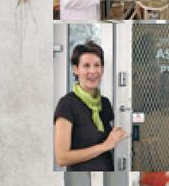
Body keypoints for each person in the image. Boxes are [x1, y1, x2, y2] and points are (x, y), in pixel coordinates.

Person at [53, 40, 128, 173]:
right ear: (76, 69)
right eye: (86, 66)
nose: (92, 71)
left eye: (97, 65)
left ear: (102, 69)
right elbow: (62, 158)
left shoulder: (105, 103)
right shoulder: (67, 104)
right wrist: (105, 146)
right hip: (82, 181)